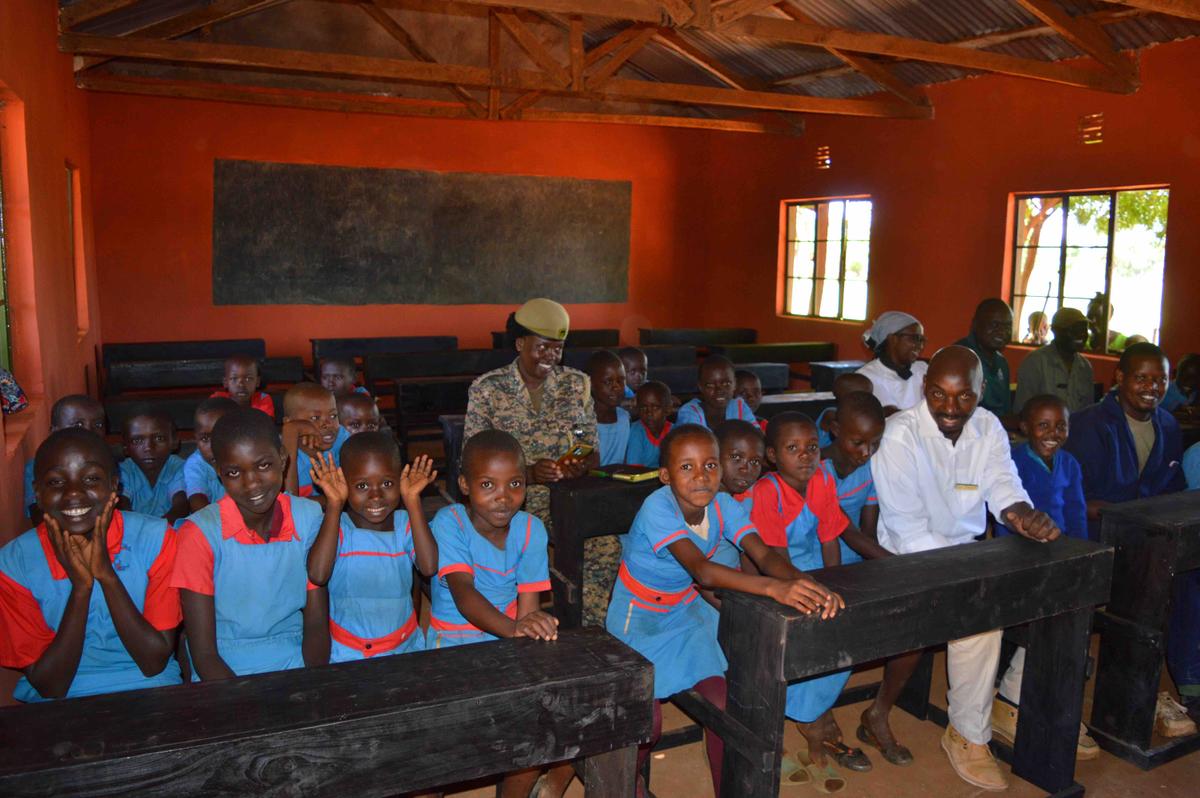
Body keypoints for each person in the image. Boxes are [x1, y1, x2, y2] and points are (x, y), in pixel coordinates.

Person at [607, 423, 844, 798]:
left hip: (685, 616)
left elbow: (763, 553)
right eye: (687, 468)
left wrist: (805, 583)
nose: (701, 477)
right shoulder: (658, 507)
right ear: (666, 475)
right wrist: (774, 587)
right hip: (640, 621)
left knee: (723, 707)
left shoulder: (722, 505)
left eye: (710, 466)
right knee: (646, 723)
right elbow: (701, 569)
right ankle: (626, 784)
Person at [871, 346, 1060, 791]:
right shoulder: (901, 434)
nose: (950, 409)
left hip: (967, 552)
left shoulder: (988, 426)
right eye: (938, 395)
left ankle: (1010, 702)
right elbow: (906, 527)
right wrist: (970, 577)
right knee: (981, 618)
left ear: (981, 392)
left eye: (964, 397)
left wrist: (1020, 515)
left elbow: (1002, 484)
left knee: (1054, 590)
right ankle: (967, 734)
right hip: (906, 558)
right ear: (925, 388)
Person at [751, 412, 892, 787]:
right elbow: (776, 560)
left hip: (816, 572)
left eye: (812, 448)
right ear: (772, 456)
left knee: (846, 633)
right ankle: (812, 729)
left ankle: (813, 716)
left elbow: (831, 540)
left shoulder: (822, 480)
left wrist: (835, 588)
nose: (805, 456)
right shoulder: (767, 492)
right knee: (808, 643)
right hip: (780, 578)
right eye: (792, 449)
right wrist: (816, 594)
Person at [1065, 343, 1197, 727]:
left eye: (1160, 379)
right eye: (1141, 377)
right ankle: (1113, 703)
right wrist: (1132, 520)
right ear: (1119, 378)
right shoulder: (1088, 424)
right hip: (1095, 538)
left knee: (1189, 579)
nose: (1152, 387)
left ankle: (1178, 686)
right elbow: (1074, 497)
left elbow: (1170, 487)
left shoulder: (1169, 426)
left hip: (1148, 541)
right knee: (1151, 588)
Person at [0, 429, 182, 701]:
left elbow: (153, 662)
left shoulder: (156, 539)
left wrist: (106, 574)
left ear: (114, 486)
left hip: (150, 687)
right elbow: (50, 686)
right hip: (59, 701)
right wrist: (81, 587)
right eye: (56, 482)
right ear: (37, 492)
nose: (74, 493)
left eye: (91, 479)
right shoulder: (14, 563)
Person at [427, 429, 561, 798]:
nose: (503, 497)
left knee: (539, 722)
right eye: (488, 484)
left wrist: (530, 632)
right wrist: (517, 630)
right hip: (453, 643)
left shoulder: (531, 529)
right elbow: (465, 596)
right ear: (465, 485)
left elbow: (529, 606)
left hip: (506, 638)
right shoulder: (449, 523)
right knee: (442, 739)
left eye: (515, 483)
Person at [171, 408, 331, 678]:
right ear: (218, 472)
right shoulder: (199, 534)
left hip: (294, 660)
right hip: (223, 669)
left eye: (263, 465)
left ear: (282, 458)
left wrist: (308, 685)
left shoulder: (307, 517)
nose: (252, 484)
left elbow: (316, 624)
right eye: (234, 472)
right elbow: (204, 653)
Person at [990, 394, 1098, 759]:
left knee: (1073, 626)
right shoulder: (1013, 462)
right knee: (1046, 624)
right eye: (1043, 425)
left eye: (1061, 425)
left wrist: (1082, 558)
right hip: (1023, 558)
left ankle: (1052, 702)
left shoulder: (1070, 464)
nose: (1053, 433)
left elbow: (1077, 514)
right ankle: (1011, 699)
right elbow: (1006, 520)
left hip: (1061, 557)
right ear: (1023, 427)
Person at [464, 298, 597, 524]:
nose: (551, 356)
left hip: (567, 498)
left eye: (558, 348)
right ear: (520, 344)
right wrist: (529, 474)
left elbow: (587, 446)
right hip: (509, 506)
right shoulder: (488, 389)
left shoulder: (577, 385)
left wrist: (578, 464)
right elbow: (472, 461)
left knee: (607, 548)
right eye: (543, 347)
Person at [306, 433, 437, 661]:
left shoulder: (405, 524)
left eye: (387, 483)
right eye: (362, 485)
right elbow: (318, 574)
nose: (376, 495)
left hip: (404, 646)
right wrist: (335, 504)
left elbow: (428, 567)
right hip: (346, 651)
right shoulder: (335, 527)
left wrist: (413, 500)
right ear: (343, 483)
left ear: (401, 480)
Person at [819, 391, 885, 567]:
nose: (867, 452)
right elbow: (848, 532)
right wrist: (901, 564)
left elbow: (869, 532)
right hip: (821, 564)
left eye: (875, 443)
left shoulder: (870, 469)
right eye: (858, 443)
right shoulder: (816, 471)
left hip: (859, 560)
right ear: (836, 430)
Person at [23, 394, 107, 525]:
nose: (89, 431)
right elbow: (39, 517)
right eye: (78, 424)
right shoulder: (38, 466)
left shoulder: (110, 464)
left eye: (98, 424)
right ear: (54, 431)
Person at [1014, 307, 1094, 413]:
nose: (1081, 335)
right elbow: (1022, 410)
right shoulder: (1035, 362)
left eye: (1084, 330)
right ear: (1056, 331)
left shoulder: (1085, 367)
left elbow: (1088, 411)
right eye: (1074, 330)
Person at [118, 408, 189, 524]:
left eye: (159, 438)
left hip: (170, 533)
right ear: (125, 447)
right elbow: (122, 508)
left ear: (174, 441)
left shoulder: (179, 467)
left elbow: (181, 506)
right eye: (137, 441)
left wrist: (154, 533)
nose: (148, 447)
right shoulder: (123, 471)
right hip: (134, 533)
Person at [281, 382, 350, 499]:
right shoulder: (278, 453)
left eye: (333, 416)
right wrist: (290, 433)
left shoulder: (341, 438)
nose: (328, 424)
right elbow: (290, 503)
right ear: (290, 422)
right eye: (315, 418)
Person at [856, 312, 928, 414]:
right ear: (892, 339)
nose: (920, 346)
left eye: (922, 340)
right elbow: (892, 416)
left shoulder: (922, 368)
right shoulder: (867, 376)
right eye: (915, 338)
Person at [955, 299, 1014, 418]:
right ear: (975, 324)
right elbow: (956, 411)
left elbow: (1006, 410)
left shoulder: (1001, 362)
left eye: (1007, 326)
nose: (1002, 332)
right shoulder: (959, 357)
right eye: (994, 325)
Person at [184, 397, 240, 512]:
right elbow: (198, 504)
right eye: (205, 438)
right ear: (196, 440)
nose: (213, 446)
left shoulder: (246, 457)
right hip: (210, 524)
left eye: (223, 435)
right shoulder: (196, 465)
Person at [677, 355, 756, 429]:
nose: (719, 390)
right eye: (710, 385)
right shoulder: (689, 412)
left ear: (735, 384)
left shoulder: (739, 407)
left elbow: (755, 436)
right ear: (700, 387)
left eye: (726, 384)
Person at [587, 350, 631, 466]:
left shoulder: (624, 418)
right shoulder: (582, 422)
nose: (616, 387)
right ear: (590, 384)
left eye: (621, 381)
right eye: (608, 382)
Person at [816, 372, 874, 448]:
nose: (866, 401)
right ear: (838, 396)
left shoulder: (863, 414)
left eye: (869, 396)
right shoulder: (830, 414)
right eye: (859, 398)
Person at [211, 354, 275, 418]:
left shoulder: (262, 400)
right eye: (234, 378)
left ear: (257, 382)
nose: (241, 384)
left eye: (248, 378)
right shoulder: (218, 400)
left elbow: (266, 425)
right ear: (225, 382)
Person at [626, 381, 672, 468]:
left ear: (668, 409)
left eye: (655, 407)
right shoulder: (637, 432)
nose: (649, 413)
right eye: (643, 407)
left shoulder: (674, 432)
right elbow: (635, 469)